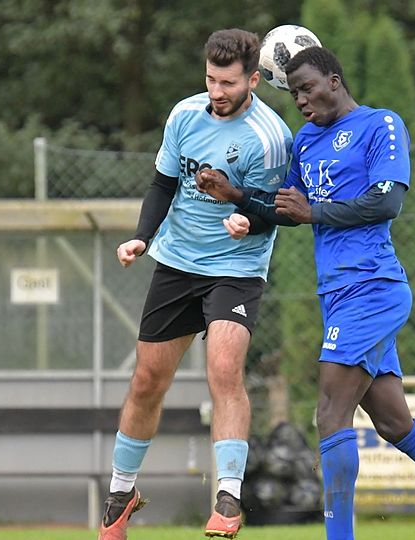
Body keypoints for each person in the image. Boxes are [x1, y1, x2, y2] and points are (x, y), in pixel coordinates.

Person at [196, 46, 415, 540]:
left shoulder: (380, 124)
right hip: (338, 293)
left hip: (371, 286)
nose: (301, 101)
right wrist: (237, 196)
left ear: (334, 81)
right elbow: (288, 209)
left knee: (330, 413)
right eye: (294, 94)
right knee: (394, 424)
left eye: (308, 89)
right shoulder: (306, 141)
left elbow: (386, 202)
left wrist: (314, 212)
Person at [100, 28, 292, 540]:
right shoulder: (184, 115)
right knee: (147, 380)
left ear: (253, 80)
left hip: (236, 267)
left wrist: (248, 218)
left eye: (228, 83)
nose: (217, 91)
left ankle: (228, 495)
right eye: (210, 79)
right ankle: (121, 492)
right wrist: (142, 237)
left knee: (224, 371)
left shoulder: (271, 137)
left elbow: (276, 210)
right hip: (178, 262)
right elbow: (163, 183)